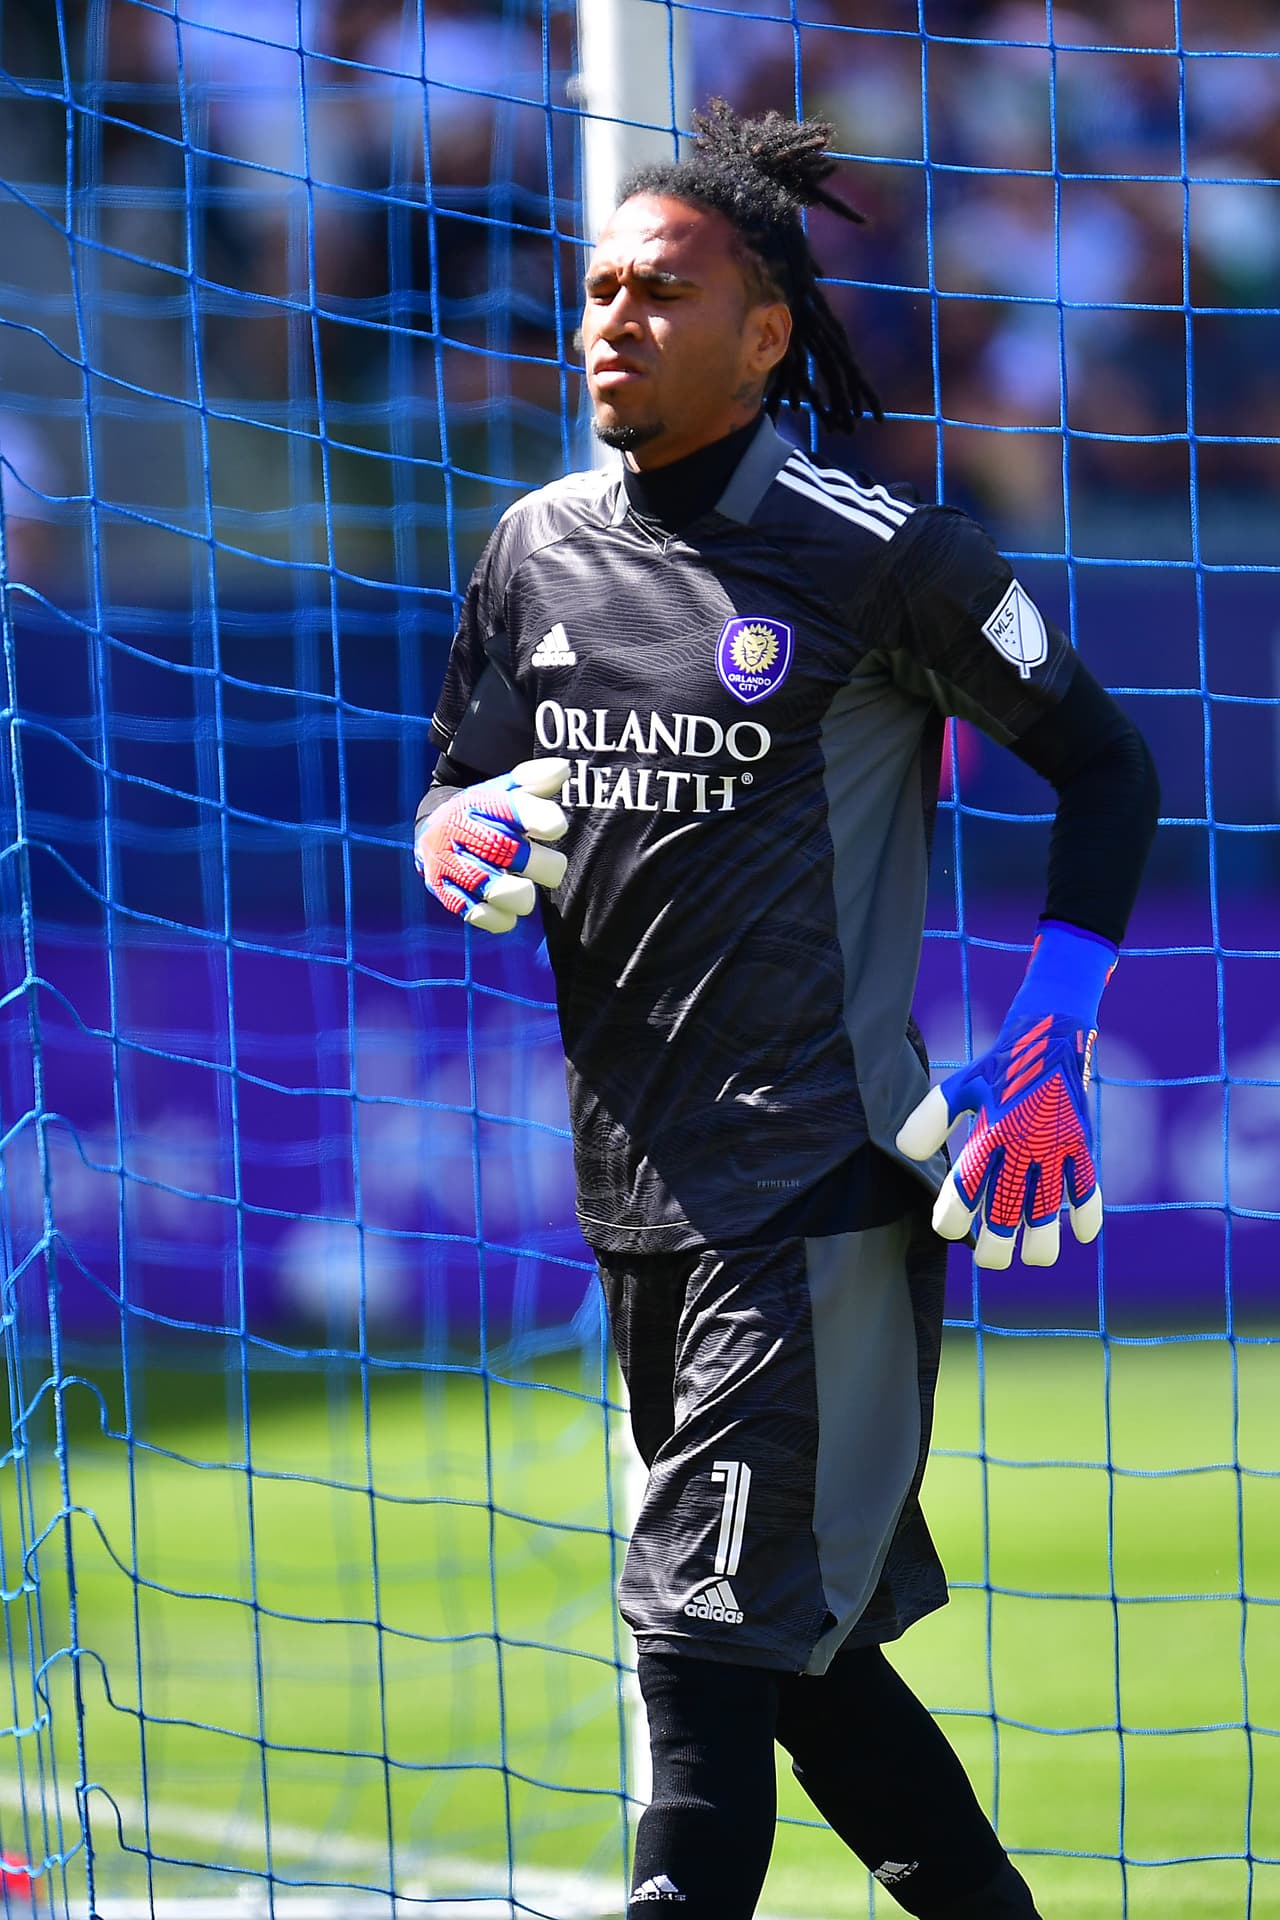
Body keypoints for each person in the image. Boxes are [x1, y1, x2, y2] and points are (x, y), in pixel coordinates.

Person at [414, 101, 1158, 1920]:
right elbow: (463, 776)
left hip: (816, 1195)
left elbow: (1108, 766)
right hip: (637, 1194)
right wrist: (449, 832)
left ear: (765, 337)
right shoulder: (532, 548)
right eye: (600, 287)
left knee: (691, 1652)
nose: (613, 318)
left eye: (661, 292)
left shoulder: (881, 555)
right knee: (804, 1667)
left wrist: (1049, 1036)